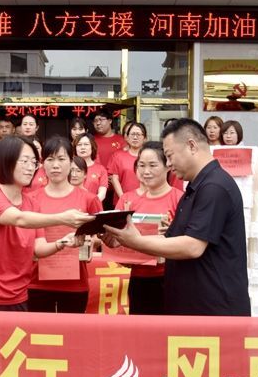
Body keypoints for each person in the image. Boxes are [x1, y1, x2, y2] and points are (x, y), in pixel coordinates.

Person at [101, 118, 250, 316]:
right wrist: (124, 239)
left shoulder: (213, 187)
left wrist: (135, 241)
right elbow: (170, 239)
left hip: (212, 309)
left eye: (170, 156)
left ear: (192, 146)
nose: (169, 164)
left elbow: (192, 246)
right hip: (194, 304)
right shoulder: (197, 188)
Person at [0, 135, 94, 311]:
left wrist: (62, 242)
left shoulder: (32, 203)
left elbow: (38, 248)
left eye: (33, 162)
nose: (30, 168)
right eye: (24, 161)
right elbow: (19, 219)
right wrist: (63, 217)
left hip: (18, 295)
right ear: (6, 161)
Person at [28, 136, 102, 313]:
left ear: (71, 161)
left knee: (72, 330)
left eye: (61, 159)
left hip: (75, 284)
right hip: (37, 282)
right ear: (42, 163)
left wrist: (91, 242)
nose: (55, 165)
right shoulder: (30, 200)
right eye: (50, 159)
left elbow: (101, 237)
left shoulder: (89, 199)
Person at [115, 141, 183, 315]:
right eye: (141, 165)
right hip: (139, 279)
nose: (146, 171)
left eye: (153, 165)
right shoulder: (131, 202)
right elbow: (120, 244)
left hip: (171, 279)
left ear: (168, 166)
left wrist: (173, 232)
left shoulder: (180, 199)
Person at [108, 122, 147, 203]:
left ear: (145, 138)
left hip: (146, 200)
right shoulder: (118, 156)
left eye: (138, 134)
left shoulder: (149, 156)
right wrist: (123, 198)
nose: (135, 137)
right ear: (127, 138)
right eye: (132, 134)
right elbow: (114, 179)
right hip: (122, 201)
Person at [73, 133, 107, 201]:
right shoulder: (69, 167)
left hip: (93, 204)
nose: (82, 147)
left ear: (92, 147)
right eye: (79, 145)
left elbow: (102, 194)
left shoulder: (101, 169)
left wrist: (91, 203)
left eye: (86, 144)